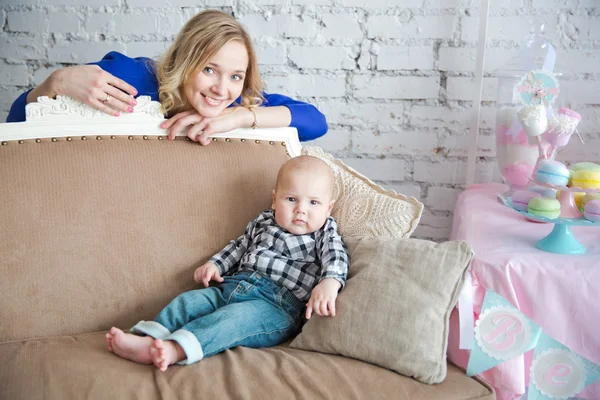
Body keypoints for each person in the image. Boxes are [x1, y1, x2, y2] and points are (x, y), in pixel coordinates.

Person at [105, 155, 349, 371]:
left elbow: (336, 255)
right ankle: (149, 338)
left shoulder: (324, 232)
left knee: (230, 321)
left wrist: (330, 282)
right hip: (231, 286)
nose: (301, 210)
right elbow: (239, 246)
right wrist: (216, 265)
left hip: (276, 306)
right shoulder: (263, 222)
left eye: (313, 203)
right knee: (189, 301)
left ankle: (174, 350)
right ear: (275, 200)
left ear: (329, 209)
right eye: (292, 199)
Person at [6, 10, 327, 144]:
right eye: (209, 69)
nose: (221, 88)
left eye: (235, 76)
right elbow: (17, 121)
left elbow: (315, 121)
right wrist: (55, 83)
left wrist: (239, 117)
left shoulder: (238, 101)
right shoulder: (129, 77)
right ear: (185, 62)